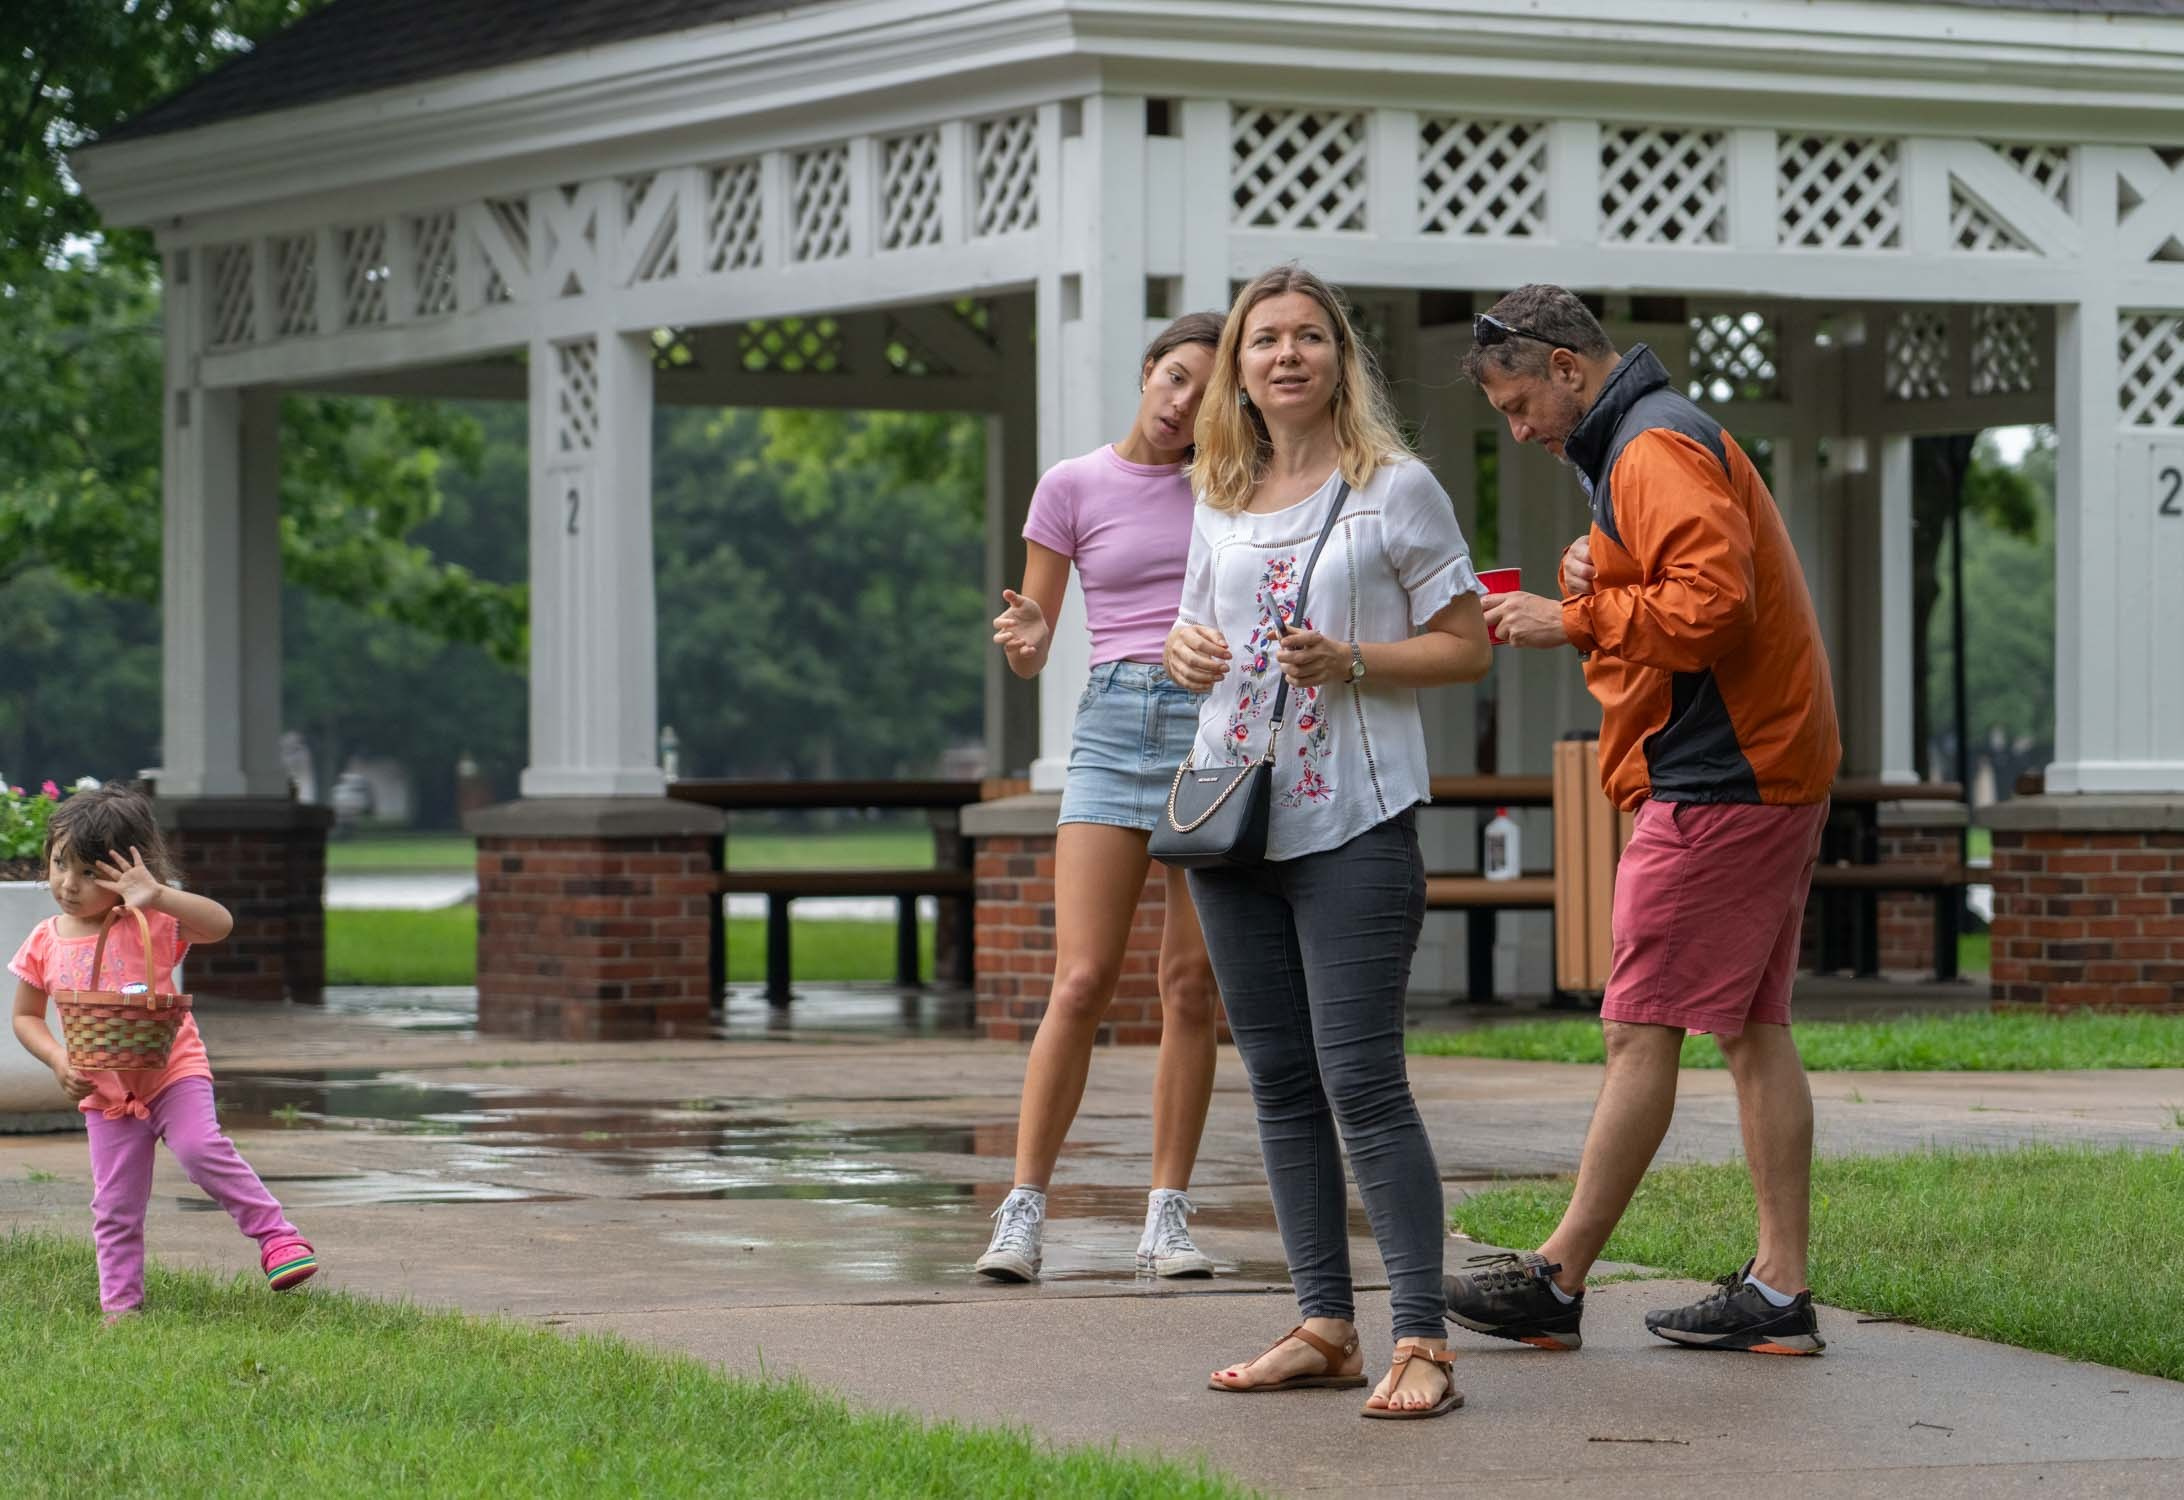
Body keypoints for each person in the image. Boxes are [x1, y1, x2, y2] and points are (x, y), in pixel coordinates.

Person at [1445, 283, 1840, 1356]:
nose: (1518, 430)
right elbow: (1688, 581)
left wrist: (1569, 613)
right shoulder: (1648, 442)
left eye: (1520, 403)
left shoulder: (1652, 445)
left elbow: (1714, 608)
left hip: (1723, 777)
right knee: (1753, 1031)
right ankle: (1779, 1292)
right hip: (1763, 765)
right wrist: (1603, 568)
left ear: (1569, 369)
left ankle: (1560, 1279)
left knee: (1637, 1025)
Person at [1169, 266, 1491, 1418]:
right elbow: (1193, 629)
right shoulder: (1221, 489)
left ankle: (1423, 1340)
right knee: (1281, 1083)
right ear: (1239, 368)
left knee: (1362, 1081)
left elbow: (1465, 645)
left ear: (1339, 360)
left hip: (1354, 820)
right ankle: (1323, 1324)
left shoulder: (1394, 489)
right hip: (1231, 820)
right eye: (1265, 341)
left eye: (1310, 338)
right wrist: (1183, 655)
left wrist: (1358, 660)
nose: (1287, 356)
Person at [975, 311, 1228, 1283]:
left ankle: (1167, 1215)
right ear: (1145, 373)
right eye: (1173, 379)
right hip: (1116, 722)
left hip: (1211, 729)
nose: (1182, 404)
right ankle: (1022, 1210)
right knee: (1080, 980)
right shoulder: (1073, 485)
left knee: (1191, 987)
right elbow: (1035, 641)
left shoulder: (1231, 489)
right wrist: (1032, 633)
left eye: (1207, 394)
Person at [10, 785, 319, 1321]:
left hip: (172, 1072)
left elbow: (220, 924)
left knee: (201, 1151)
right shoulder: (45, 939)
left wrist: (157, 894)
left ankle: (277, 1237)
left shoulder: (148, 921)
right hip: (105, 1092)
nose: (68, 884)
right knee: (115, 1206)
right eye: (61, 864)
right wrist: (59, 1061)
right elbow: (25, 1016)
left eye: (90, 873)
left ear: (129, 870)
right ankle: (121, 1308)